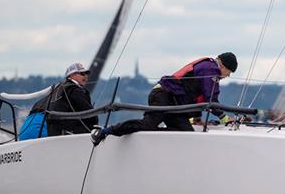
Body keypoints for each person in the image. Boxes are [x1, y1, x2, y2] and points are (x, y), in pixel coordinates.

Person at [90, 52, 238, 145]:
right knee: (148, 124)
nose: (228, 76)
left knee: (186, 132)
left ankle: (154, 136)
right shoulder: (211, 69)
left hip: (174, 103)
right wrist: (225, 118)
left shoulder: (208, 67)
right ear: (223, 66)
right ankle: (105, 131)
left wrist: (196, 118)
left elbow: (197, 96)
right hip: (163, 95)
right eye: (229, 72)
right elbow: (210, 98)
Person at [33, 62, 98, 136]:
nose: (86, 76)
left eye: (87, 74)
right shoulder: (75, 90)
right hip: (68, 135)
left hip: (53, 133)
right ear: (72, 75)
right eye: (82, 74)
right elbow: (89, 114)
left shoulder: (58, 89)